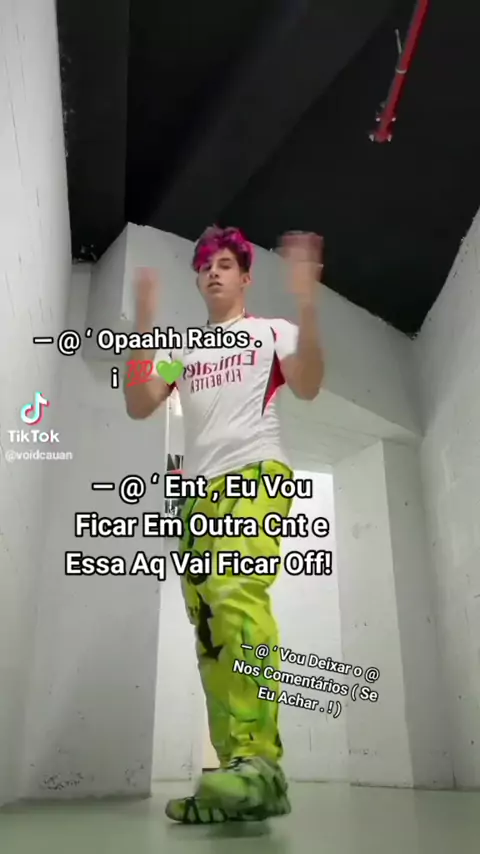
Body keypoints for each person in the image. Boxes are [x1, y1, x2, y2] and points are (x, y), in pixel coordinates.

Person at [124, 226, 324, 824]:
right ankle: (235, 771)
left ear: (245, 277)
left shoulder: (271, 331)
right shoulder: (183, 348)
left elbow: (308, 384)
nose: (213, 270)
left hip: (256, 473)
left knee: (235, 593)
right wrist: (144, 324)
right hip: (198, 497)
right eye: (206, 264)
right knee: (209, 628)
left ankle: (262, 766)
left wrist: (307, 301)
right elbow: (139, 404)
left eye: (226, 263)